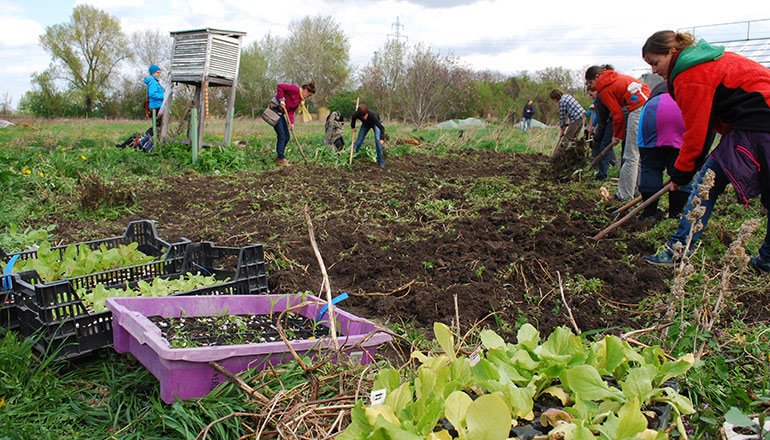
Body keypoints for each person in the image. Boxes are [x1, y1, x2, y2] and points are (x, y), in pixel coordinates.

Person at [640, 30, 770, 274]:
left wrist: (682, 174)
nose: (654, 70)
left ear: (672, 52)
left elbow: (697, 132)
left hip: (757, 121)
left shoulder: (690, 73)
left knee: (706, 185)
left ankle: (677, 250)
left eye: (655, 63)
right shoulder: (705, 60)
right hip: (760, 120)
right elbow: (708, 125)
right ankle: (767, 261)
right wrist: (686, 170)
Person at [585, 65, 650, 201]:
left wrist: (617, 136)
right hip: (649, 103)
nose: (592, 87)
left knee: (630, 154)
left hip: (638, 107)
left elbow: (617, 114)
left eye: (590, 83)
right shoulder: (614, 78)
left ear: (597, 77)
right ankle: (635, 191)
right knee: (636, 153)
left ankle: (624, 195)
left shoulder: (603, 87)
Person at [636, 81, 691, 222]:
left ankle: (648, 214)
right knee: (680, 167)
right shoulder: (690, 85)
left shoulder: (659, 86)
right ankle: (676, 215)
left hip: (652, 111)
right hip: (682, 110)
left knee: (650, 165)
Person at [116, 64, 164, 151]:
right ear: (153, 73)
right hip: (156, 107)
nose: (159, 74)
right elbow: (152, 94)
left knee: (157, 127)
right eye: (157, 72)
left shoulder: (155, 81)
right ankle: (142, 140)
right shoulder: (153, 82)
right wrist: (163, 96)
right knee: (156, 127)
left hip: (157, 106)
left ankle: (144, 141)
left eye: (159, 72)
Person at [270, 81, 316, 167]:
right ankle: (280, 158)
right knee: (282, 135)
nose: (308, 97)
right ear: (305, 90)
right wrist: (281, 99)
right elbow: (280, 86)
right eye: (309, 95)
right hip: (274, 109)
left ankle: (280, 157)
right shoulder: (295, 89)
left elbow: (290, 111)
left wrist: (291, 123)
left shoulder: (299, 101)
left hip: (281, 113)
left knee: (287, 136)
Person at [549, 89, 585, 162]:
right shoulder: (567, 96)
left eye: (553, 99)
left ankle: (555, 158)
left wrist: (562, 130)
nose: (554, 101)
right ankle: (571, 158)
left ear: (555, 98)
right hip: (581, 117)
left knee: (566, 140)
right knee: (573, 139)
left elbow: (562, 117)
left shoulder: (562, 102)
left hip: (576, 119)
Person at [590, 89, 617, 181]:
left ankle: (602, 175)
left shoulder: (600, 100)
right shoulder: (598, 100)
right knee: (606, 145)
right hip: (613, 118)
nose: (591, 96)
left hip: (615, 119)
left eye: (592, 93)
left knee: (604, 145)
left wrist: (597, 137)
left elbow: (601, 121)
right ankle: (606, 170)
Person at [351, 104, 386, 168]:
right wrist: (353, 127)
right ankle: (353, 157)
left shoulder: (373, 116)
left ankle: (381, 161)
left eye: (365, 115)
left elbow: (382, 128)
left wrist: (382, 138)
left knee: (377, 140)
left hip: (375, 124)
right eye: (363, 116)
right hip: (365, 125)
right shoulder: (357, 114)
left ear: (367, 112)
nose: (365, 117)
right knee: (358, 141)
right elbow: (353, 118)